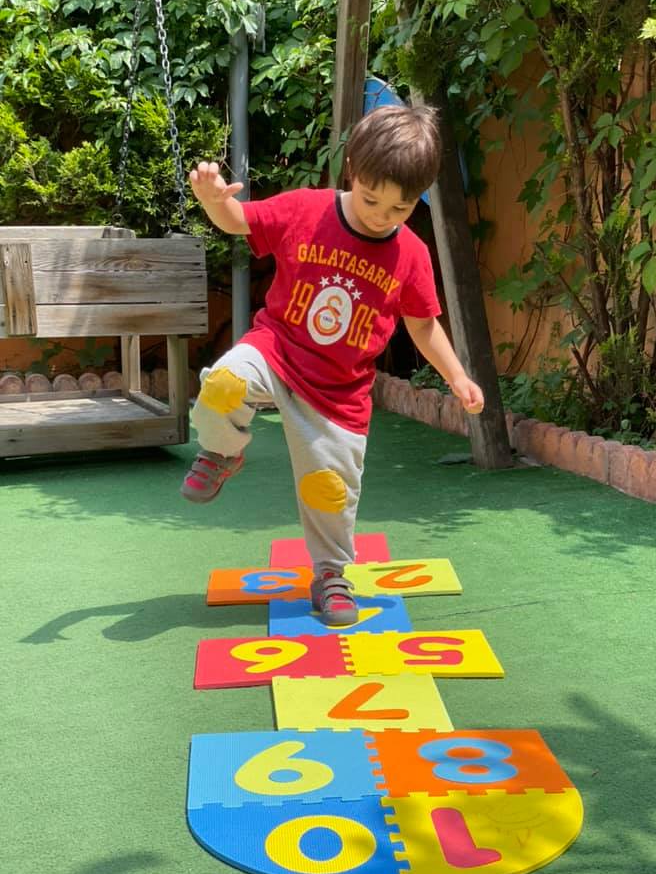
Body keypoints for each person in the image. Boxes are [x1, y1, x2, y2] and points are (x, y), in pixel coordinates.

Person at [181, 105, 484, 626]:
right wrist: (213, 201)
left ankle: (330, 574)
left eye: (400, 207)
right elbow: (239, 221)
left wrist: (457, 375)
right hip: (276, 350)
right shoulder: (308, 209)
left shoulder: (410, 255)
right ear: (352, 171)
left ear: (418, 198)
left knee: (329, 490)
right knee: (224, 383)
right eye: (371, 199)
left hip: (338, 394)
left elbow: (423, 325)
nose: (382, 216)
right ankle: (222, 452)